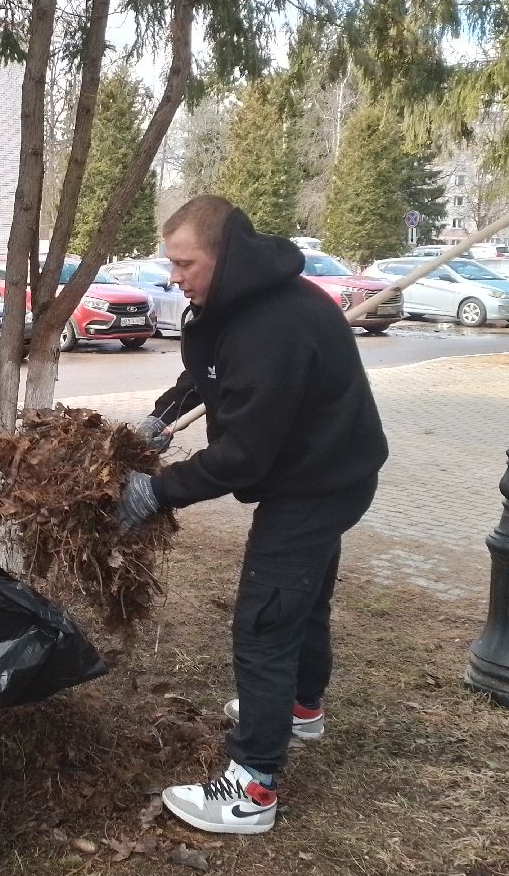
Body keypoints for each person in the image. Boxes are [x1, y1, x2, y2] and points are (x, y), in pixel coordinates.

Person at [120, 195, 388, 835]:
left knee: (263, 623)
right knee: (302, 600)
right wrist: (161, 415)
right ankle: (300, 707)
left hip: (314, 486)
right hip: (333, 472)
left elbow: (241, 456)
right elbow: (208, 371)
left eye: (185, 263)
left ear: (225, 256)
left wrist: (152, 493)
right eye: (172, 263)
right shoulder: (235, 303)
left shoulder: (274, 326)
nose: (175, 277)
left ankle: (252, 789)